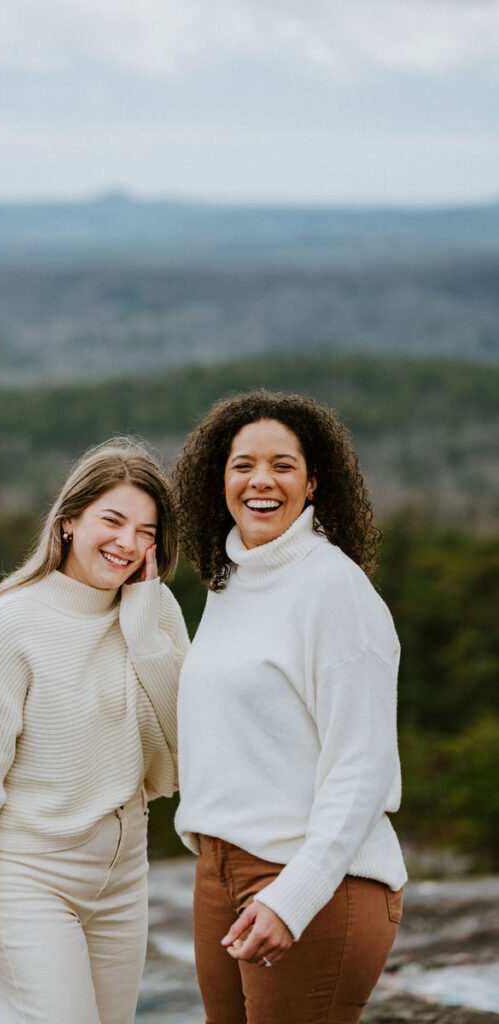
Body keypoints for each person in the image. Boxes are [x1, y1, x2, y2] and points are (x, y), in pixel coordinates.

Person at [173, 391, 407, 1024]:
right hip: (220, 869)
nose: (260, 480)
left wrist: (293, 897)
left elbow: (361, 768)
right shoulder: (232, 582)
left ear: (311, 485)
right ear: (217, 480)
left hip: (312, 878)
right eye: (242, 464)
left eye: (282, 465)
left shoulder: (334, 589)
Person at [0, 438, 189, 1024]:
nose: (129, 543)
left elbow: (188, 742)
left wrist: (147, 636)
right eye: (114, 520)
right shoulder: (13, 624)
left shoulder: (157, 610)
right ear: (69, 520)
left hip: (124, 880)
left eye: (147, 532)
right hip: (30, 881)